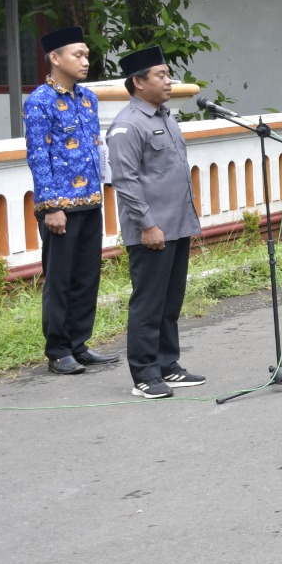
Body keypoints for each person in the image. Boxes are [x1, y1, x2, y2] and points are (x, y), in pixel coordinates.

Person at [107, 47, 205, 398]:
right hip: (151, 230)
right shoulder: (126, 125)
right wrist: (148, 225)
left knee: (170, 301)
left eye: (168, 74)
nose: (168, 80)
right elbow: (126, 181)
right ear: (138, 82)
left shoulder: (165, 116)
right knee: (148, 303)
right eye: (160, 75)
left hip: (177, 226)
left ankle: (167, 364)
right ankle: (145, 373)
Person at [22, 26, 119, 375]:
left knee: (87, 277)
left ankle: (79, 344)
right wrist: (51, 207)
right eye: (77, 54)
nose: (85, 60)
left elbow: (96, 149)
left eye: (87, 55)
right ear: (55, 58)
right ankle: (58, 349)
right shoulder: (39, 102)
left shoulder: (88, 99)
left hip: (91, 201)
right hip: (60, 207)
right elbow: (38, 157)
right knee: (60, 279)